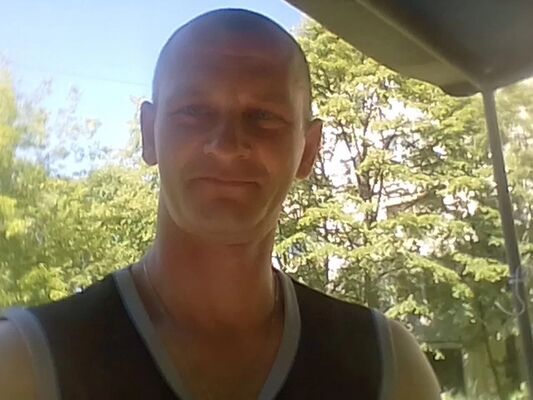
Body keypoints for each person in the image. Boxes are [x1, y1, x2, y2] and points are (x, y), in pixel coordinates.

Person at [0, 8, 441, 400]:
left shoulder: (388, 369)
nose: (228, 145)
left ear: (308, 150)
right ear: (149, 134)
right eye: (194, 111)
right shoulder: (25, 365)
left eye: (263, 116)